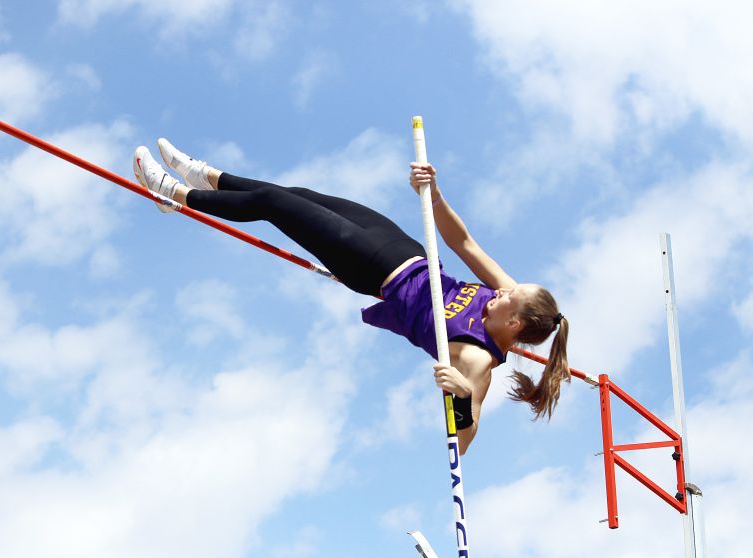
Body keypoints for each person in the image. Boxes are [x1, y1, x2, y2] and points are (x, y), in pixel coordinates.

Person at [133, 139, 570, 454]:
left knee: (274, 205)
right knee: (297, 196)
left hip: (374, 270)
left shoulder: (477, 360)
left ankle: (175, 196)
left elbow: (462, 438)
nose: (502, 292)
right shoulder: (508, 296)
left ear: (513, 325)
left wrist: (458, 397)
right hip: (408, 252)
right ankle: (204, 176)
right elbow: (465, 243)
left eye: (508, 299)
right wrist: (434, 195)